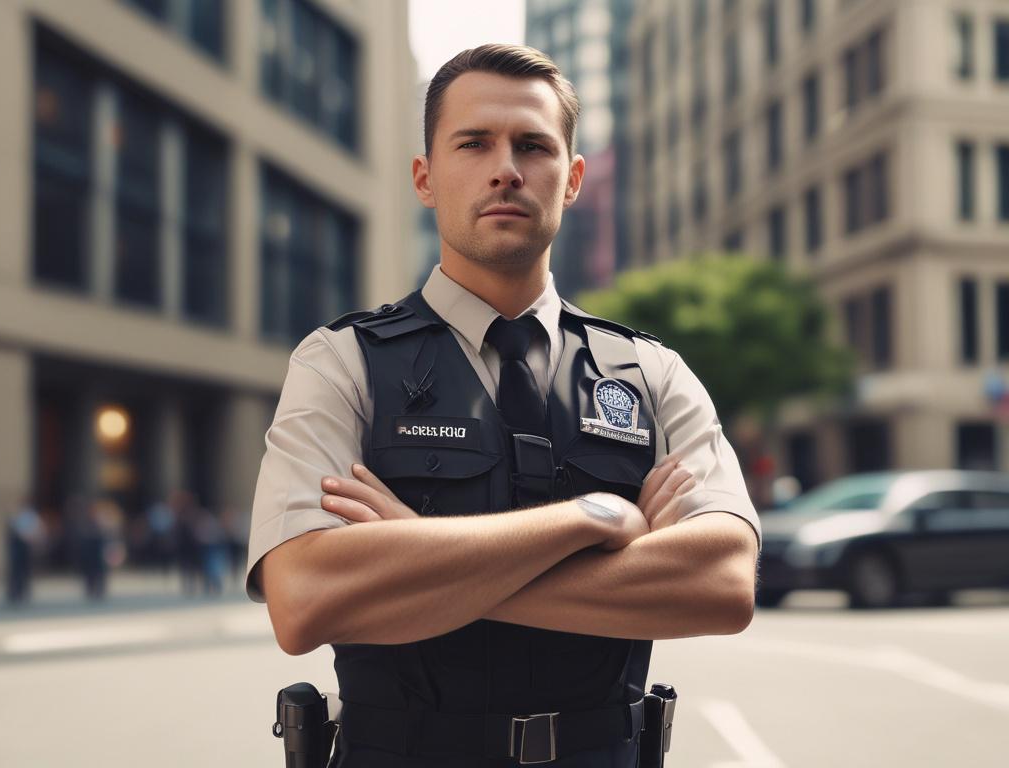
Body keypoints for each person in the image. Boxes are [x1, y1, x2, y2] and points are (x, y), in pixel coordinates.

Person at [247, 44, 761, 768]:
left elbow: (723, 585)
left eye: (533, 146)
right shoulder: (339, 363)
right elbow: (304, 599)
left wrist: (419, 551)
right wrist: (595, 519)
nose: (506, 169)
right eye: (473, 143)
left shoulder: (650, 373)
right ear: (425, 178)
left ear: (573, 179)